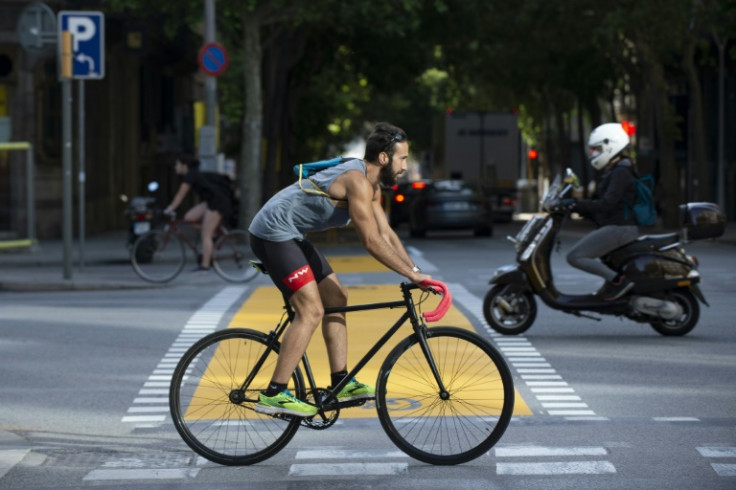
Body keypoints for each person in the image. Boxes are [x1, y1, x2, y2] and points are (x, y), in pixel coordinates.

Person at [248, 122, 432, 417]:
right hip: (272, 232)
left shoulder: (372, 189)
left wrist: (415, 269)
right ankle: (275, 393)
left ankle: (340, 381)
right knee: (311, 311)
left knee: (337, 298)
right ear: (384, 158)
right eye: (403, 159)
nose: (405, 167)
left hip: (292, 234)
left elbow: (386, 235)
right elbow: (371, 242)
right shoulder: (356, 181)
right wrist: (410, 275)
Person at [560, 122, 639, 301]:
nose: (593, 154)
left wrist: (575, 204)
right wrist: (579, 208)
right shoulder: (617, 169)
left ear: (610, 146)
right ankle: (612, 283)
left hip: (620, 228)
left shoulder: (621, 172)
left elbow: (606, 204)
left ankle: (619, 281)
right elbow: (603, 206)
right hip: (617, 226)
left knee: (575, 256)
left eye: (597, 149)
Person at [164, 155, 234, 272]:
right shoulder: (192, 174)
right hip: (211, 201)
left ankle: (205, 265)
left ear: (184, 166)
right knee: (188, 218)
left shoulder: (191, 176)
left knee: (205, 234)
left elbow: (180, 195)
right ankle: (213, 233)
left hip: (217, 202)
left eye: (177, 164)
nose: (175, 167)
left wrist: (170, 208)